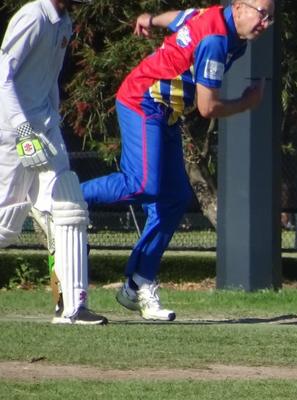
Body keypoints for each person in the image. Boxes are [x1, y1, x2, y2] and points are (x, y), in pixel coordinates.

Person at [81, 0, 275, 321]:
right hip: (143, 99)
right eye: (262, 14)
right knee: (142, 183)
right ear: (240, 7)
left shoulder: (211, 16)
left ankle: (138, 283)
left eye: (271, 17)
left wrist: (150, 19)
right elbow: (207, 107)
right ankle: (63, 196)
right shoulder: (216, 41)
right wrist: (245, 103)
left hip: (166, 113)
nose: (265, 23)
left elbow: (179, 18)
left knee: (173, 200)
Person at [0, 0, 107, 325]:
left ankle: (72, 307)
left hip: (45, 128)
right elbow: (3, 75)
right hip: (13, 130)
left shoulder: (64, 22)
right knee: (5, 225)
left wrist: (52, 121)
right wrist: (21, 127)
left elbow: (49, 80)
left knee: (67, 208)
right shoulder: (34, 16)